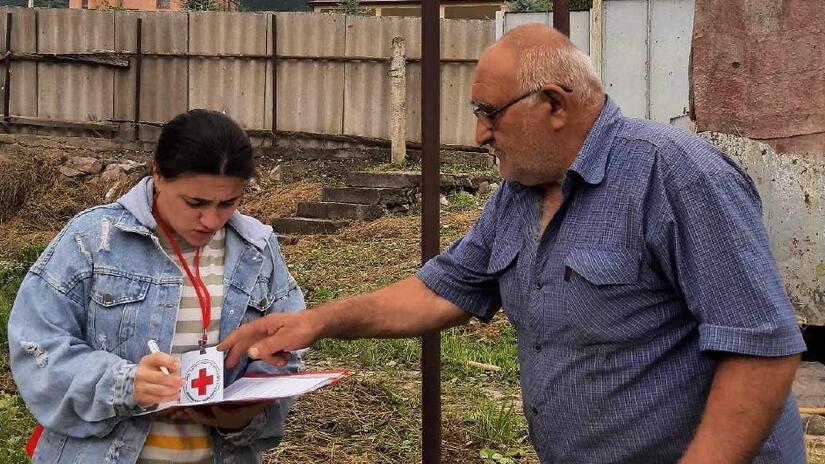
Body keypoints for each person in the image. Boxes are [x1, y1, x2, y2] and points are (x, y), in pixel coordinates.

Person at [219, 24, 806, 463]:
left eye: (488, 114)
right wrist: (313, 323)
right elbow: (441, 289)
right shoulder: (519, 193)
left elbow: (762, 349)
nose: (478, 134)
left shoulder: (677, 175)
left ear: (553, 104)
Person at [8, 109, 305, 463]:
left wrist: (245, 416)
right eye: (195, 203)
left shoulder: (256, 251)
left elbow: (288, 351)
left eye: (228, 203)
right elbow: (36, 345)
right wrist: (123, 383)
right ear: (158, 174)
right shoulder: (94, 240)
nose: (211, 220)